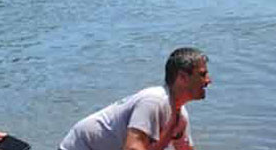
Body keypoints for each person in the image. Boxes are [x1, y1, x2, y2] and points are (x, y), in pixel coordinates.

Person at [58, 48, 211, 150]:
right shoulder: (154, 101)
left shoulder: (180, 117)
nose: (208, 81)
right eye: (203, 74)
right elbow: (133, 147)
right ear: (182, 77)